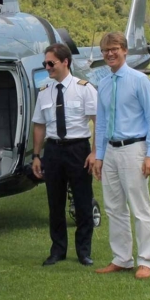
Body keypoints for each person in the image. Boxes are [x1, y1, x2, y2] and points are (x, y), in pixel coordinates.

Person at [92, 32, 150, 280]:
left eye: (114, 49)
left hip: (134, 149)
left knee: (140, 208)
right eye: (105, 50)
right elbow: (100, 124)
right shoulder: (104, 84)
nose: (110, 54)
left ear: (124, 50)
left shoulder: (139, 80)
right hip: (110, 150)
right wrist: (99, 156)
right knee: (113, 208)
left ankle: (145, 261)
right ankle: (122, 258)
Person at [31, 43, 98, 266]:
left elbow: (98, 121)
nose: (47, 67)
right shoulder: (44, 91)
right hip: (53, 150)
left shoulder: (84, 88)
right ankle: (58, 250)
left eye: (51, 63)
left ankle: (83, 251)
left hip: (78, 149)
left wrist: (96, 152)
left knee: (82, 202)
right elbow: (39, 125)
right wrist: (37, 156)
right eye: (45, 64)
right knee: (55, 203)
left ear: (65, 62)